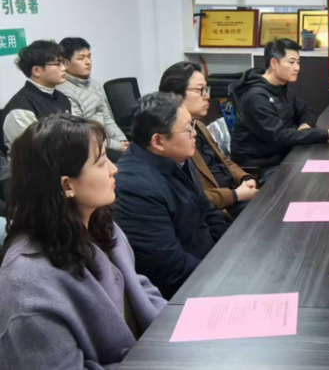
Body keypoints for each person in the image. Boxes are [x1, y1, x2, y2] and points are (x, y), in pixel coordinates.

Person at [0, 114, 166, 368]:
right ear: (67, 185)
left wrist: (180, 325)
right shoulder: (26, 284)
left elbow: (136, 286)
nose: (114, 169)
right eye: (101, 162)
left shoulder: (100, 223)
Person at [114, 93, 229, 299]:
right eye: (187, 129)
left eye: (192, 125)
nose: (194, 133)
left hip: (210, 266)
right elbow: (170, 267)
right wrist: (224, 275)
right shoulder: (133, 188)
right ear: (158, 141)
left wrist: (231, 254)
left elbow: (209, 213)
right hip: (186, 292)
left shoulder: (175, 157)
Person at [231, 38, 329, 183]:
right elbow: (280, 136)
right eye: (291, 62)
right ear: (274, 63)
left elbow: (305, 110)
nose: (297, 68)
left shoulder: (280, 88)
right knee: (315, 181)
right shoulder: (256, 97)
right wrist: (327, 134)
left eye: (298, 62)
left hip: (283, 156)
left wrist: (305, 125)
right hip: (259, 168)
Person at [159, 62, 257, 219]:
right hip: (219, 209)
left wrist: (245, 178)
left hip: (236, 192)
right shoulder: (172, 139)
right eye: (200, 90)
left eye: (207, 90)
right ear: (175, 96)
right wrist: (235, 194)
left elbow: (224, 160)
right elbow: (192, 197)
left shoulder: (199, 125)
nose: (207, 96)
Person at [56, 37, 129, 161]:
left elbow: (107, 118)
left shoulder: (95, 85)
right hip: (87, 148)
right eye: (81, 58)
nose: (88, 62)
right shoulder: (63, 91)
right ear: (66, 63)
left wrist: (122, 140)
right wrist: (117, 146)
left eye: (89, 57)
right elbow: (81, 133)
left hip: (107, 143)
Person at [1, 40, 71, 157]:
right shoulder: (20, 109)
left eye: (63, 62)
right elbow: (36, 153)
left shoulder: (61, 97)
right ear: (37, 71)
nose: (64, 68)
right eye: (58, 64)